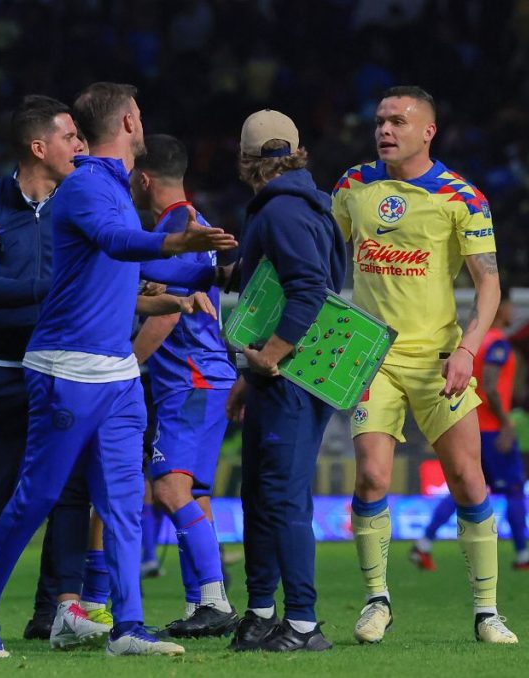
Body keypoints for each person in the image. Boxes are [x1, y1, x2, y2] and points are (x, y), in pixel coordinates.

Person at [0, 82, 236, 658]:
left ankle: (129, 627)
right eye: (139, 113)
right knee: (35, 496)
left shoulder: (111, 188)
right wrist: (175, 241)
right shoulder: (85, 186)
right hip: (68, 366)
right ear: (130, 120)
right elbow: (118, 242)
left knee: (123, 501)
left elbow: (121, 270)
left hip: (115, 373)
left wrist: (208, 279)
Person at [331, 85, 518, 644]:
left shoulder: (461, 196)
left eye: (398, 121)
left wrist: (468, 349)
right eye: (380, 121)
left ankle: (487, 612)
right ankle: (376, 600)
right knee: (370, 474)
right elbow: (314, 253)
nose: (384, 130)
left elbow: (488, 280)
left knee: (467, 478)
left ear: (428, 131)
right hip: (373, 357)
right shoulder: (354, 186)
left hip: (440, 358)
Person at [0, 95, 108, 654]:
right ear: (40, 147)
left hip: (59, 368)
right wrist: (57, 292)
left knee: (67, 491)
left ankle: (62, 611)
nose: (80, 147)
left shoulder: (80, 202)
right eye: (70, 138)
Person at [224, 110, 346, 652]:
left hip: (292, 374)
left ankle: (302, 624)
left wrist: (270, 356)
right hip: (281, 377)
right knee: (262, 494)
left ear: (246, 159)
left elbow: (308, 290)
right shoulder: (305, 206)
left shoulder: (282, 212)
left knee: (284, 497)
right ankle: (263, 611)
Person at [130, 133, 238, 637]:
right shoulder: (190, 225)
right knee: (192, 494)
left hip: (191, 380)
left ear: (143, 178)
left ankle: (215, 601)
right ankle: (203, 603)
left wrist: (126, 366)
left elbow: (169, 318)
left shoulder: (180, 228)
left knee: (170, 488)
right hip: (202, 380)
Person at [411, 286, 529, 572]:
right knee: (514, 489)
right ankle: (523, 555)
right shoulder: (498, 344)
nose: (513, 312)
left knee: (463, 489)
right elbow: (489, 386)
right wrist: (505, 423)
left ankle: (423, 545)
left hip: (470, 424)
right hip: (491, 430)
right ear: (500, 308)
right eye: (511, 307)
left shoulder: (472, 344)